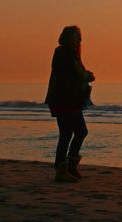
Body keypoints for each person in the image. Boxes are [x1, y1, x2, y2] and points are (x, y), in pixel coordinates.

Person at [45, 25, 95, 182]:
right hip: (64, 99)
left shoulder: (71, 53)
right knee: (66, 134)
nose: (80, 39)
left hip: (71, 99)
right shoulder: (64, 53)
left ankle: (70, 165)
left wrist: (85, 75)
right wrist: (86, 76)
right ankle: (62, 169)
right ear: (69, 38)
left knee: (80, 131)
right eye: (77, 36)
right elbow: (72, 74)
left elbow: (75, 73)